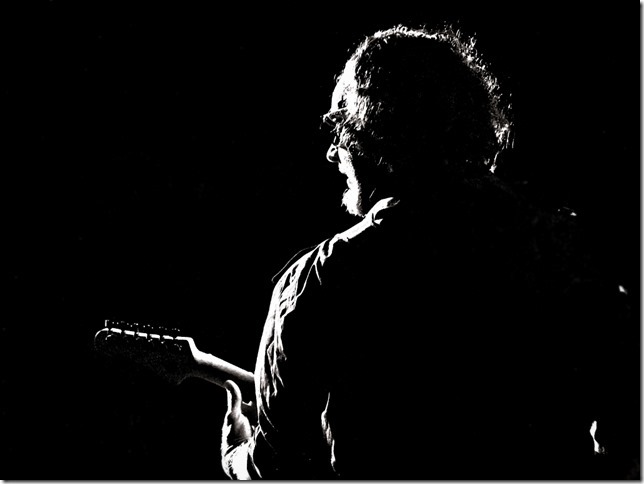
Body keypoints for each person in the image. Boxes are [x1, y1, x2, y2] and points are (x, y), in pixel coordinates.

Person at [219, 25, 638, 479]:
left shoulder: (323, 279)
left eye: (340, 129)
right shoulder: (567, 248)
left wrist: (238, 455)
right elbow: (628, 431)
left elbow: (280, 466)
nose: (332, 153)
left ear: (372, 136)